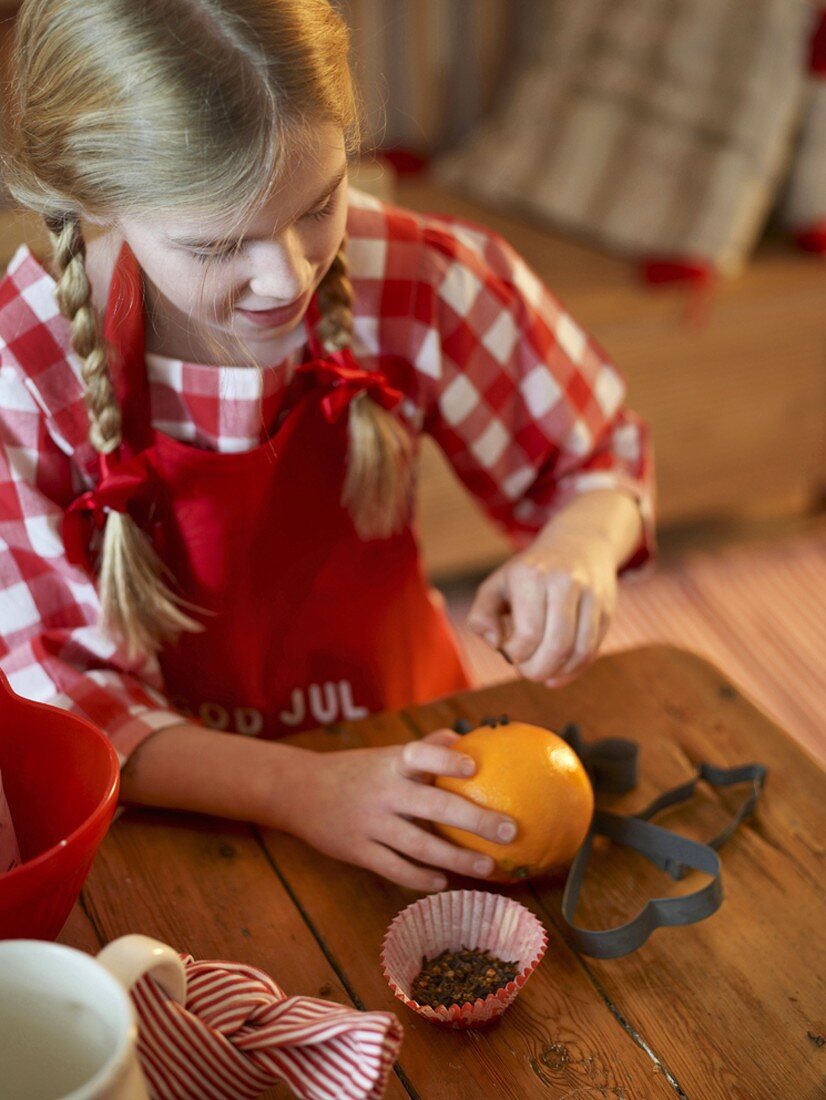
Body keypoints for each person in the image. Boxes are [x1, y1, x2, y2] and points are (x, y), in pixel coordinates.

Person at [0, 0, 654, 892]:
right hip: (184, 820)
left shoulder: (420, 274)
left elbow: (597, 459)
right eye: (221, 243)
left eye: (319, 205)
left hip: (412, 741)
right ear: (90, 202)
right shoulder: (23, 373)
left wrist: (581, 547)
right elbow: (69, 699)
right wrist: (303, 789)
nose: (290, 276)